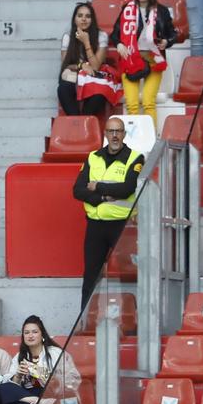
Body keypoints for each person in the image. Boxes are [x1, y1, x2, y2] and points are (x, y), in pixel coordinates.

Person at [75, 116, 142, 304]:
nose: (114, 135)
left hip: (123, 227)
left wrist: (96, 186)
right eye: (111, 131)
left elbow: (127, 189)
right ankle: (85, 320)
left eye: (118, 131)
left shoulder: (135, 158)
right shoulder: (93, 157)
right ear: (105, 134)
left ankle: (135, 320)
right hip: (96, 226)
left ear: (124, 134)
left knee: (130, 274)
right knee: (90, 276)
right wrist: (103, 196)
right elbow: (77, 190)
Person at [59, 0, 119, 119]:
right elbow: (66, 64)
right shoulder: (68, 36)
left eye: (88, 16)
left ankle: (85, 121)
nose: (84, 19)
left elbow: (96, 66)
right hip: (75, 74)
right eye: (80, 16)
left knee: (99, 94)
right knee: (63, 89)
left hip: (94, 75)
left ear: (92, 20)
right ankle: (77, 122)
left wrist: (86, 42)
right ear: (74, 19)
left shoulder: (101, 36)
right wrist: (81, 66)